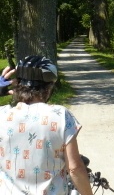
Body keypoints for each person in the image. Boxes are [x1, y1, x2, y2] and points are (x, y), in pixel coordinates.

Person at [0, 55, 93, 195]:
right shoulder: (60, 115)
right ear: (49, 88)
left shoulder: (3, 115)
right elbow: (74, 168)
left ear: (17, 84)